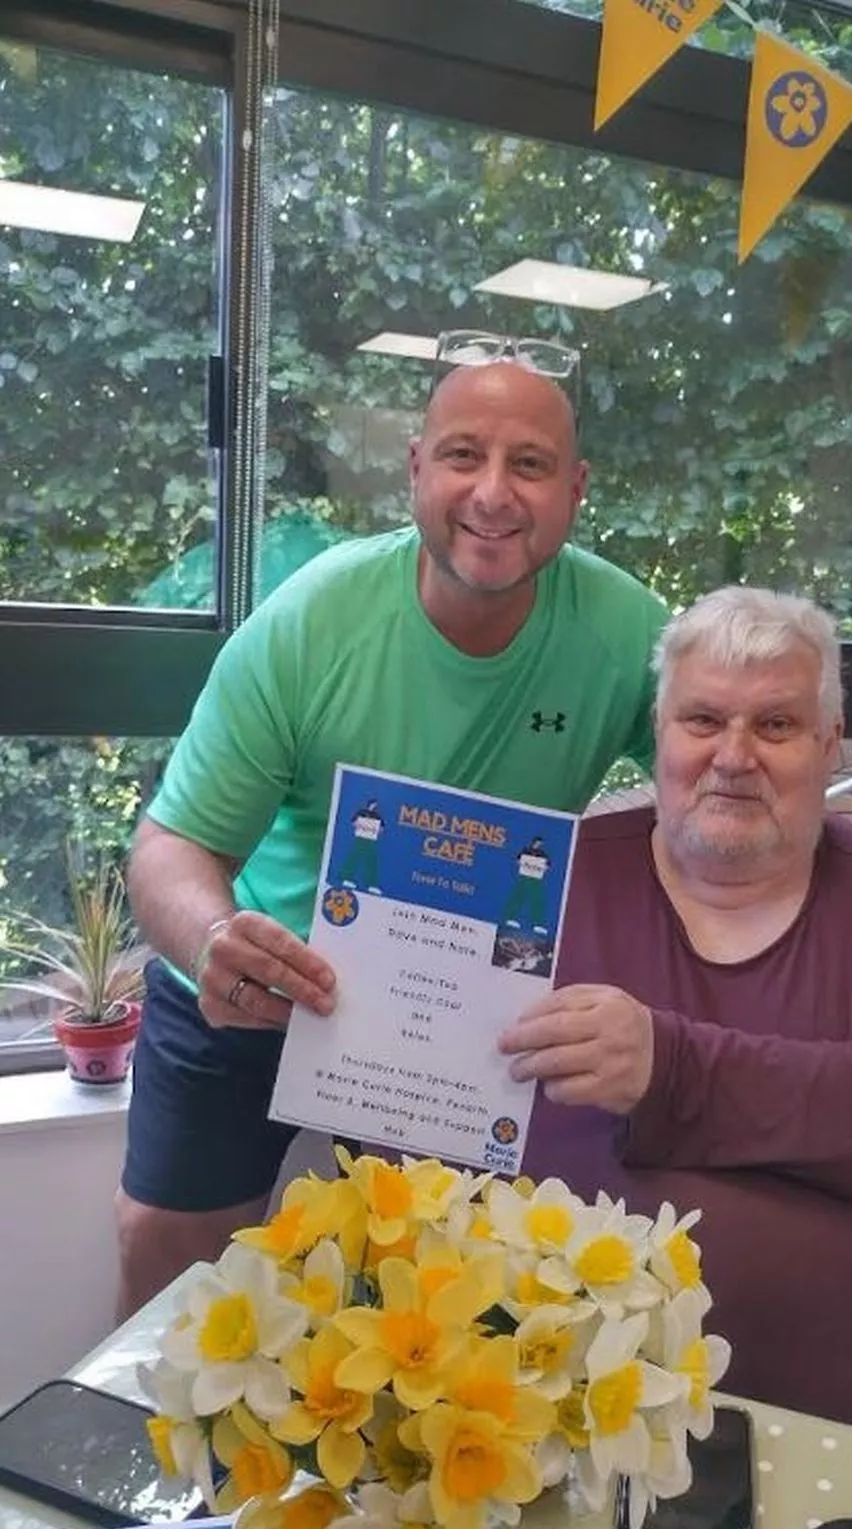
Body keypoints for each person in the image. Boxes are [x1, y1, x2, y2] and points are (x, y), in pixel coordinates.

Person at [115, 338, 670, 1318]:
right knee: (169, 1253)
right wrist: (211, 941)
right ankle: (152, 1469)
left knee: (444, 1291)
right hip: (260, 977)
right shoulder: (314, 622)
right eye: (463, 454)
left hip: (456, 1005)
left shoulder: (627, 632)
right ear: (416, 467)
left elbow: (739, 785)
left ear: (575, 490)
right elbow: (171, 845)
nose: (492, 493)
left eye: (529, 464)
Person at [500, 585, 852, 1450]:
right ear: (659, 734)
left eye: (774, 726)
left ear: (828, 741)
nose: (732, 756)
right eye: (702, 720)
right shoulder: (539, 887)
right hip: (561, 1424)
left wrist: (670, 1069)